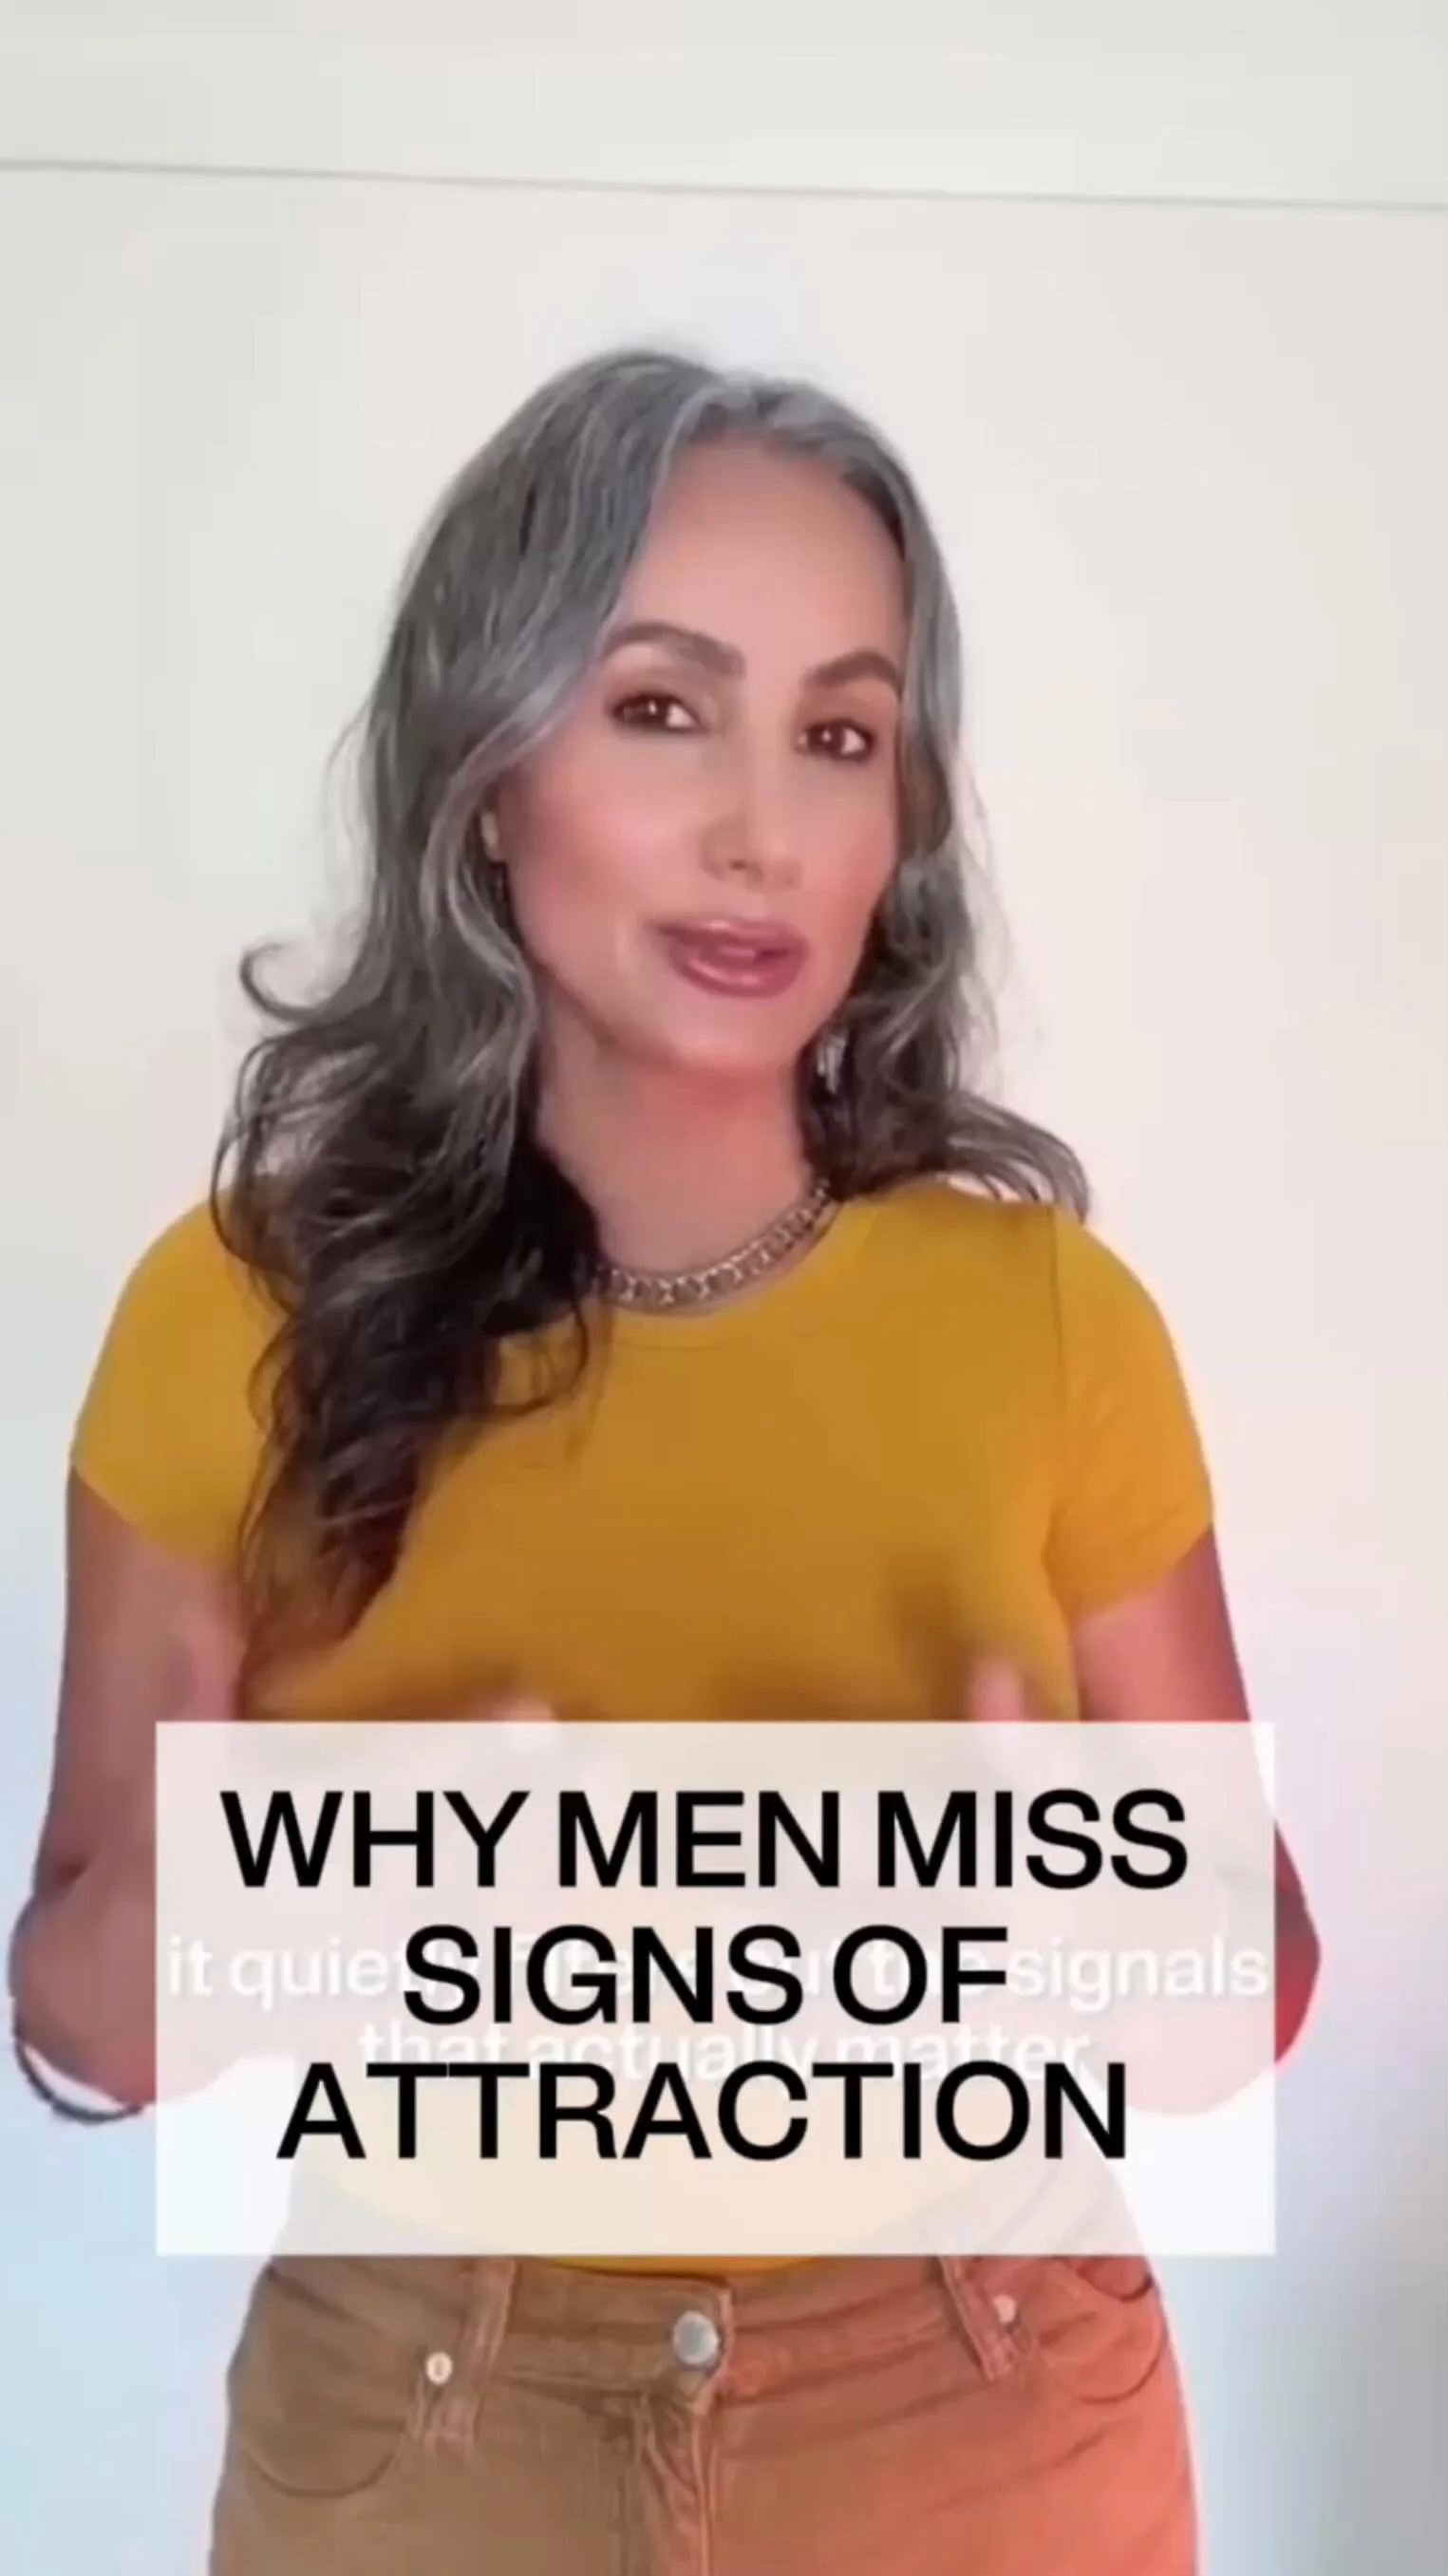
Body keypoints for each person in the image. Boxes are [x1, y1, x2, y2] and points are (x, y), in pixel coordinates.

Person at [8, 346, 1319, 2574]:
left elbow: (1252, 1987)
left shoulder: (1050, 1321)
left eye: (840, 737)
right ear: (483, 771)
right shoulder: (233, 1313)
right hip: (420, 2432)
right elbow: (79, 2012)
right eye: (659, 708)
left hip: (987, 2398)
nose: (761, 832)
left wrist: (1093, 1918)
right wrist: (317, 1903)